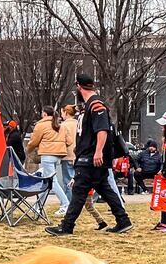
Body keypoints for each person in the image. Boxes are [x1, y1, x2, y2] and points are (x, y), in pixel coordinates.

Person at [46, 73, 132, 236]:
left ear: (79, 86)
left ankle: (67, 226)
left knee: (79, 191)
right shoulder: (89, 105)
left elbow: (102, 130)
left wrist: (98, 152)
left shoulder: (96, 105)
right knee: (105, 189)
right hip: (89, 157)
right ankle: (123, 220)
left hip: (91, 158)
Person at [27, 105, 72, 214]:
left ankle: (66, 204)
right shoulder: (61, 125)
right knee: (47, 181)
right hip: (58, 156)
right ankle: (38, 206)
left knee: (52, 182)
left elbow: (33, 142)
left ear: (45, 114)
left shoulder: (41, 125)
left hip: (47, 155)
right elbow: (69, 141)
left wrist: (28, 150)